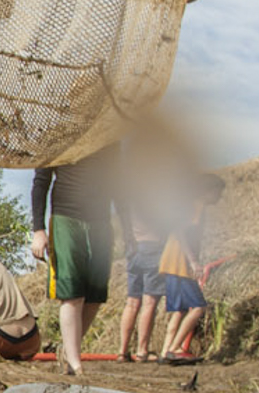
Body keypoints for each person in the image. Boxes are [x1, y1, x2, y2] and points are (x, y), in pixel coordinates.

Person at [29, 148, 119, 375]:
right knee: (73, 293)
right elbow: (41, 182)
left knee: (96, 295)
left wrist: (127, 230)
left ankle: (67, 351)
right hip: (66, 217)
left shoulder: (110, 135)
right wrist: (38, 230)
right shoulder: (59, 136)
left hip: (100, 221)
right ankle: (75, 364)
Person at [158, 172, 225, 360]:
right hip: (180, 263)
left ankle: (166, 351)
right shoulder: (197, 207)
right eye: (218, 192)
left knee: (178, 311)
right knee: (198, 307)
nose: (219, 197)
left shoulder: (188, 204)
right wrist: (193, 261)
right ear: (208, 191)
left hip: (170, 261)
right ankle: (175, 349)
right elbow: (181, 233)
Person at [115, 202, 165, 363]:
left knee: (132, 302)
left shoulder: (129, 199)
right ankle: (142, 351)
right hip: (153, 247)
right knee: (149, 302)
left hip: (133, 248)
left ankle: (122, 352)